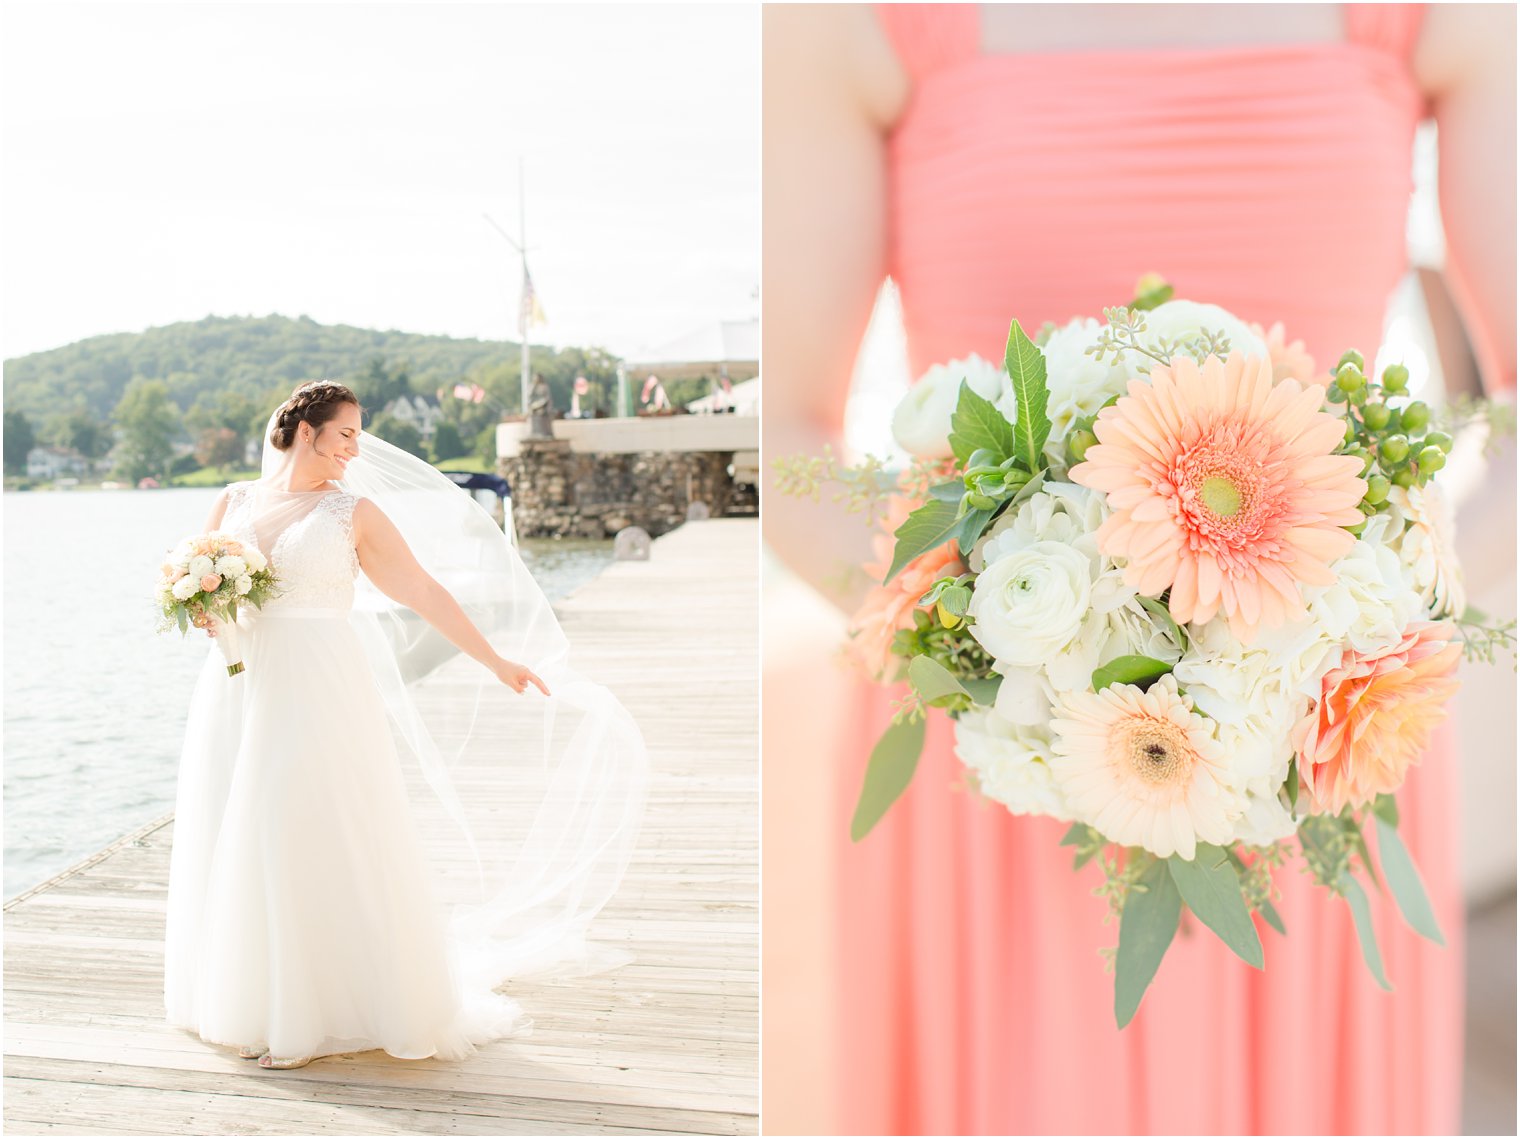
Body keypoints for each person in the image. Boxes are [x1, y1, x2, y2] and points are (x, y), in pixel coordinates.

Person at [764, 4, 1514, 1134]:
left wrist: (1369, 617)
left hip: (1321, 735)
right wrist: (1001, 658)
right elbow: (781, 434)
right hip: (990, 745)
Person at [164, 380, 646, 1069]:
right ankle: (254, 999)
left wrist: (495, 659)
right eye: (346, 434)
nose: (355, 449)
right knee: (233, 821)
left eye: (359, 435)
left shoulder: (352, 511)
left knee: (298, 823)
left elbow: (422, 589)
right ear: (306, 431)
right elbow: (204, 583)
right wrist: (207, 613)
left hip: (317, 685)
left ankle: (315, 1011)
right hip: (239, 681)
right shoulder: (234, 500)